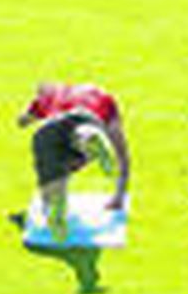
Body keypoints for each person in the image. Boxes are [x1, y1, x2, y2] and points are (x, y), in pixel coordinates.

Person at [17, 82, 130, 240]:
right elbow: (121, 151)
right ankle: (86, 138)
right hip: (88, 118)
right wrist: (119, 195)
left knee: (54, 172)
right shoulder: (103, 98)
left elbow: (22, 121)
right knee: (80, 135)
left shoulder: (48, 98)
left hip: (48, 132)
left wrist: (32, 111)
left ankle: (54, 204)